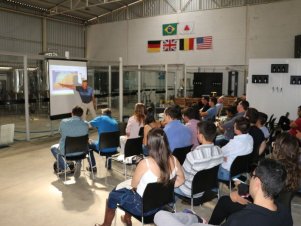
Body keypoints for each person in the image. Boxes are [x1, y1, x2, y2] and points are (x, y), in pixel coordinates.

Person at [154, 158, 293, 226]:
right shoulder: (285, 213)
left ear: (257, 183)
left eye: (253, 175)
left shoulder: (240, 220)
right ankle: (196, 219)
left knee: (160, 215)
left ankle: (198, 220)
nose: (250, 178)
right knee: (225, 201)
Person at [94, 128, 184, 226]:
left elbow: (134, 184)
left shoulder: (145, 163)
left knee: (113, 195)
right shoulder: (174, 159)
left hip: (143, 208)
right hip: (163, 204)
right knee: (128, 192)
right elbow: (181, 179)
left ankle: (106, 225)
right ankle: (126, 218)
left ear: (150, 143)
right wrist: (165, 186)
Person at [208, 132, 301, 225]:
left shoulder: (273, 170)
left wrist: (241, 192)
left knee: (225, 201)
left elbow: (263, 193)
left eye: (274, 144)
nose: (272, 147)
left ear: (278, 149)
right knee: (234, 195)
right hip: (277, 208)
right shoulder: (295, 169)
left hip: (264, 208)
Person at [175, 121, 223, 198]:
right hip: (209, 188)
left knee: (170, 180)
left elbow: (183, 178)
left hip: (191, 191)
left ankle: (170, 206)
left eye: (197, 133)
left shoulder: (192, 156)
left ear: (201, 135)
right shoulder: (219, 151)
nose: (196, 135)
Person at [50, 106, 89, 178]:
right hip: (82, 152)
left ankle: (65, 167)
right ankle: (78, 162)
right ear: (82, 115)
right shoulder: (86, 124)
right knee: (79, 144)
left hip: (67, 152)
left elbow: (61, 133)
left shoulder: (63, 122)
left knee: (53, 148)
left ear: (72, 113)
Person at [218, 117, 253, 181]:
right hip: (241, 170)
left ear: (238, 130)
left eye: (234, 126)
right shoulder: (250, 138)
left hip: (227, 173)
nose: (233, 127)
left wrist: (222, 157)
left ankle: (214, 188)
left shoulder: (234, 143)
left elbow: (219, 152)